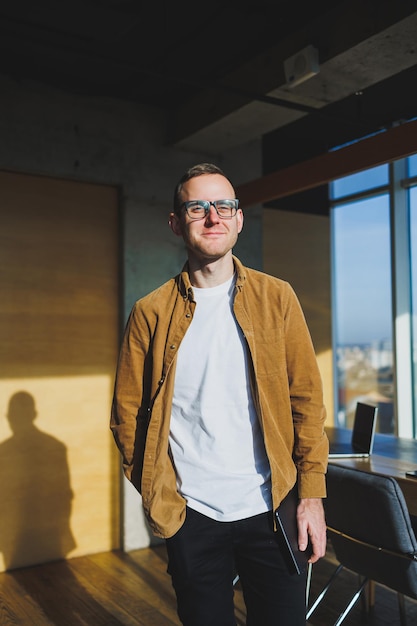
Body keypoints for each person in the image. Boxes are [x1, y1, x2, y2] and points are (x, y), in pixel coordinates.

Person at [110, 162, 328, 626]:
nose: (214, 216)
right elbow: (127, 416)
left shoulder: (278, 298)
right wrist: (159, 497)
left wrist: (310, 497)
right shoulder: (149, 313)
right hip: (192, 514)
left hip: (272, 509)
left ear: (239, 217)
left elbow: (306, 402)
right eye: (197, 207)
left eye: (224, 205)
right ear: (175, 222)